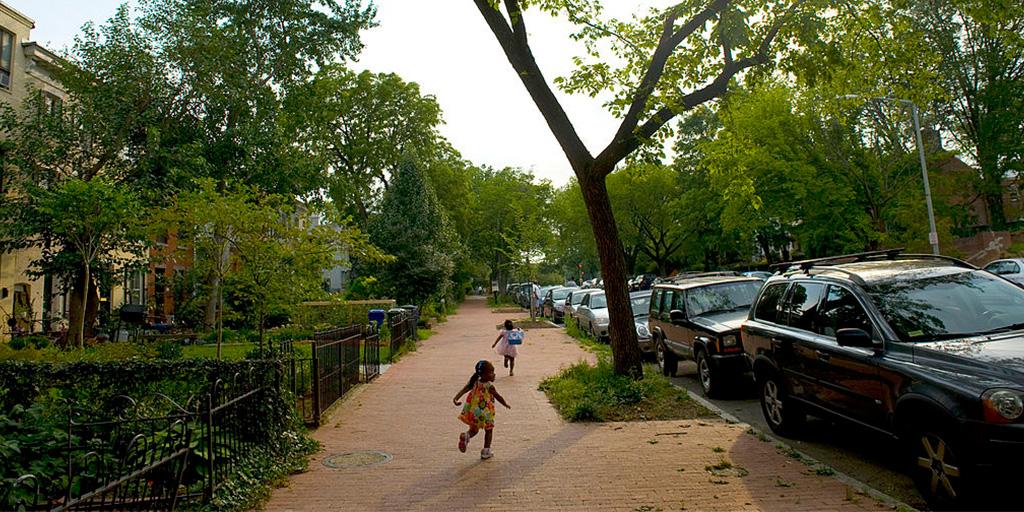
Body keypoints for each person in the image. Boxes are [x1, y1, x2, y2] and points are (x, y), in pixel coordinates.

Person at [453, 360, 510, 459]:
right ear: (483, 374)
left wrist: (456, 398)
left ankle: (466, 436)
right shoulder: (489, 386)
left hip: (473, 412)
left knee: (474, 430)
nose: (494, 374)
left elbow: (464, 389)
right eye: (491, 372)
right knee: (489, 430)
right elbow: (498, 396)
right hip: (485, 413)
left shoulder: (475, 382)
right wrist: (505, 404)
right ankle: (486, 451)